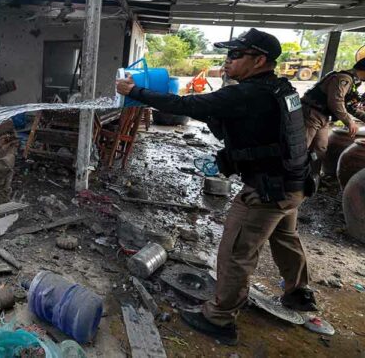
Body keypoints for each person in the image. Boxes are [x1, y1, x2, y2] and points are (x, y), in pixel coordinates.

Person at [116, 28, 316, 346]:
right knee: (286, 239)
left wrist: (135, 90)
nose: (227, 61)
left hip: (266, 191)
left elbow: (185, 105)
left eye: (235, 56)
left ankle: (219, 318)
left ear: (259, 60)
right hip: (294, 185)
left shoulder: (247, 94)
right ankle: (298, 293)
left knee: (236, 253)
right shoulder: (281, 89)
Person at [301, 45, 365, 169]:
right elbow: (335, 102)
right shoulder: (343, 78)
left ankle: (312, 178)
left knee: (320, 147)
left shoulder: (354, 82)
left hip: (323, 117)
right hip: (311, 114)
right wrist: (349, 122)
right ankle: (291, 181)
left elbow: (350, 106)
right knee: (301, 148)